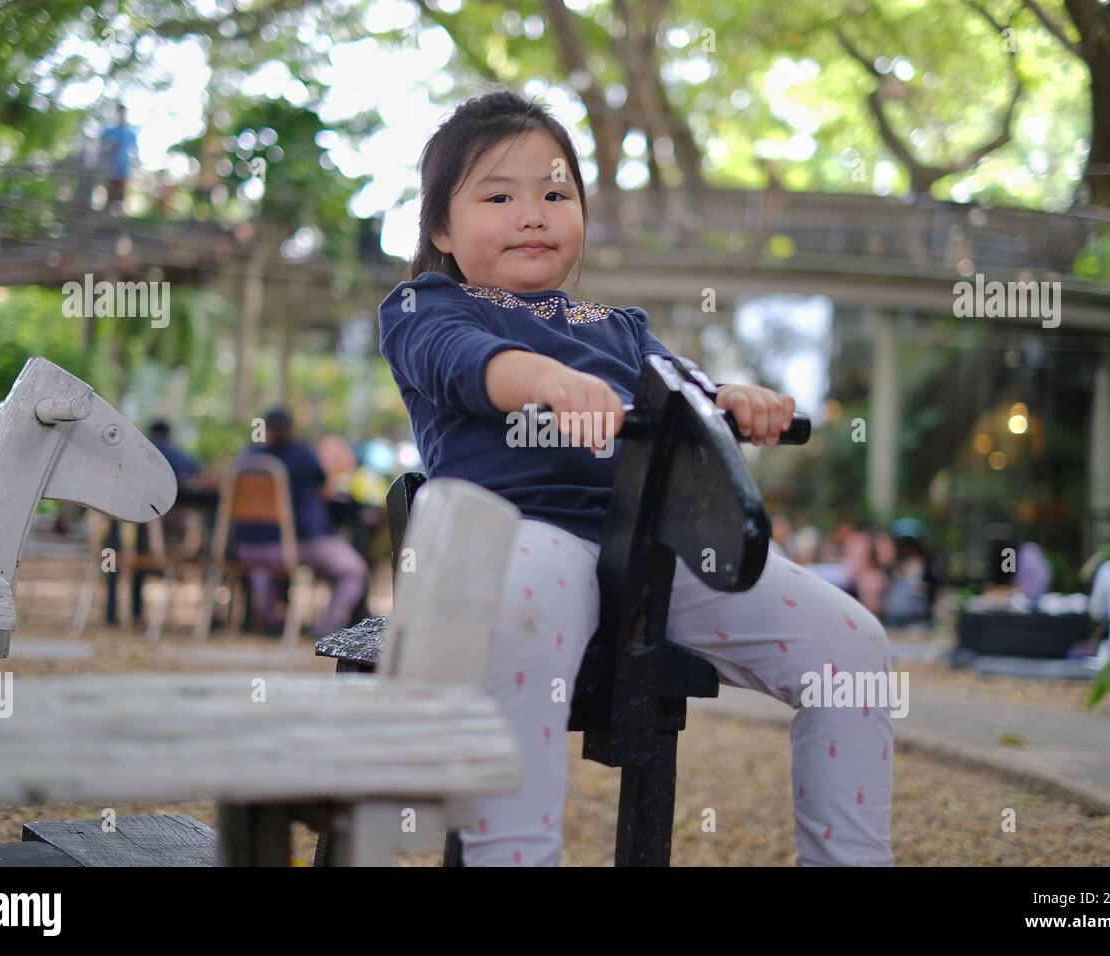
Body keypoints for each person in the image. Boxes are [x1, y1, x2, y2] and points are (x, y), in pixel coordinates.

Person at [378, 91, 893, 867]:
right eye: (499, 195)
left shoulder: (618, 329)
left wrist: (736, 404)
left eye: (556, 193)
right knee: (520, 611)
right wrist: (545, 380)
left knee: (853, 646)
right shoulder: (427, 304)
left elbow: (689, 397)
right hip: (519, 541)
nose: (533, 213)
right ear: (443, 229)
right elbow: (462, 363)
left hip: (650, 558)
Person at [230, 409, 369, 638]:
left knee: (265, 567)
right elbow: (325, 490)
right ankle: (328, 628)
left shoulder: (246, 459)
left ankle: (271, 621)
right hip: (296, 545)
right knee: (353, 570)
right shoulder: (303, 456)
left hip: (247, 548)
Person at [98, 103, 137, 213]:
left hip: (124, 169)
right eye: (120, 112)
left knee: (120, 196)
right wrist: (109, 147)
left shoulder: (130, 133)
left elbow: (134, 152)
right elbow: (101, 148)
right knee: (109, 194)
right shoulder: (108, 131)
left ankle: (117, 217)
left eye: (124, 112)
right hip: (110, 168)